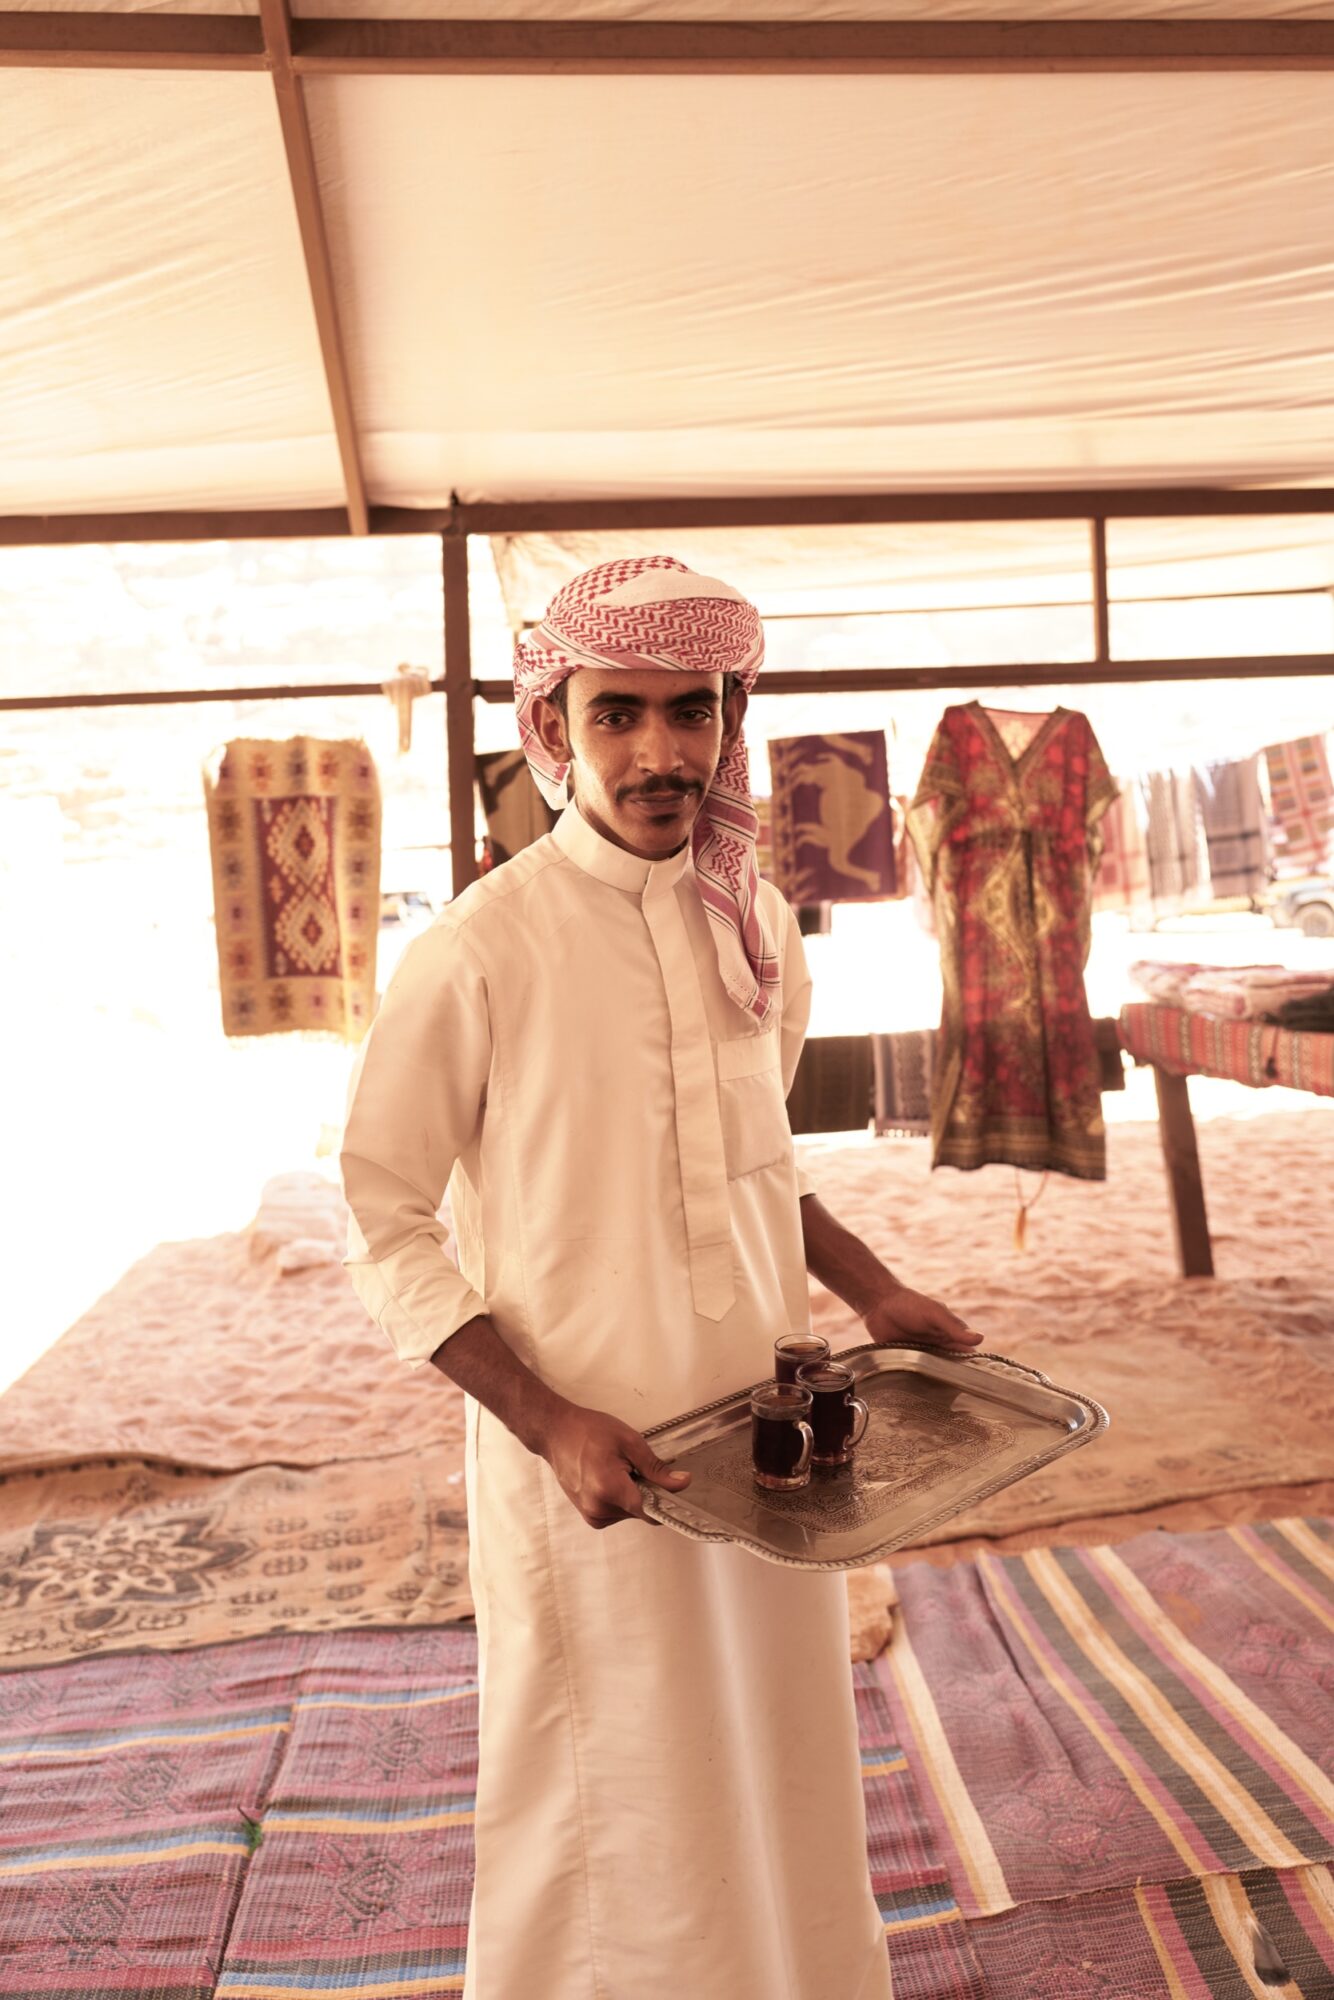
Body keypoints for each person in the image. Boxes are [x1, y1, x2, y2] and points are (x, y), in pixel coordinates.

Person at [340, 555, 979, 2000]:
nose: (659, 752)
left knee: (777, 1744)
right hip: (590, 1456)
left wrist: (874, 1292)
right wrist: (548, 1418)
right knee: (608, 1785)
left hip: (767, 1437)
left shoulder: (753, 932)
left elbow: (756, 1168)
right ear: (553, 730)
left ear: (728, 719)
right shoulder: (478, 953)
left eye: (689, 714)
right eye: (616, 714)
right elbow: (382, 1219)